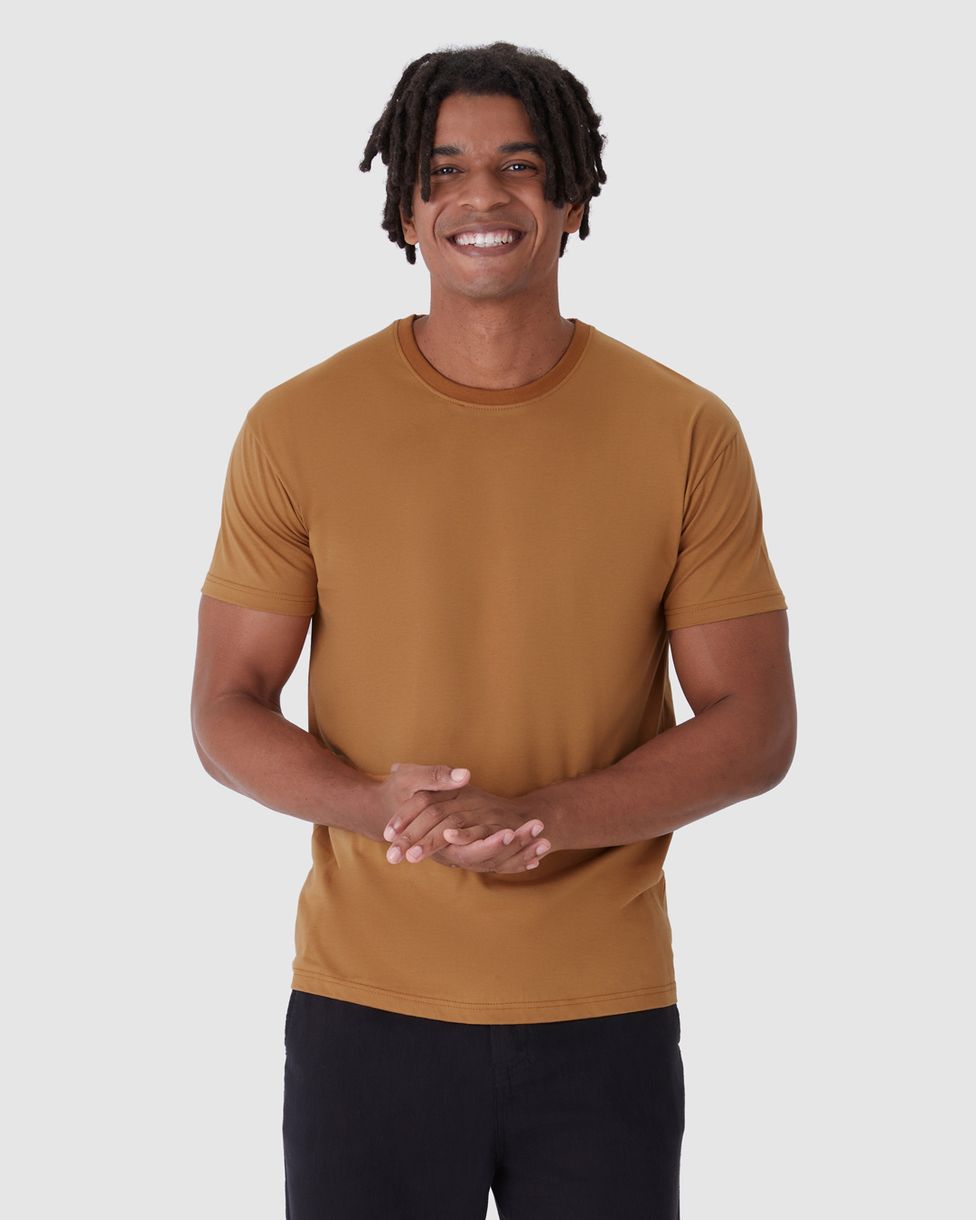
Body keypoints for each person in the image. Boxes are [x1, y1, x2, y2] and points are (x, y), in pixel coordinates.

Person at [191, 39, 797, 1220]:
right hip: (365, 1011)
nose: (483, 195)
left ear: (571, 199)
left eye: (520, 166)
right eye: (445, 169)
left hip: (603, 1015)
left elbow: (755, 724)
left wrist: (539, 816)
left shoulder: (684, 428)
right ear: (404, 207)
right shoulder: (295, 425)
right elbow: (224, 705)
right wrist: (383, 807)